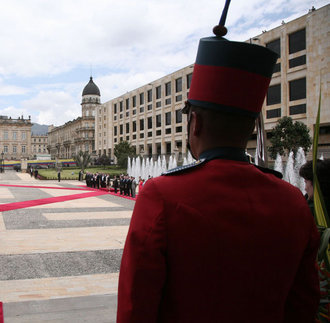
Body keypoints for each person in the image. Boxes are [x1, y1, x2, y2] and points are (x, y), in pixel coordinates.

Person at [117, 7, 319, 322]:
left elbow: (135, 308)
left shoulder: (162, 196)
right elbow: (304, 307)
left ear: (194, 123)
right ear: (252, 126)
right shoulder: (293, 201)